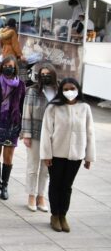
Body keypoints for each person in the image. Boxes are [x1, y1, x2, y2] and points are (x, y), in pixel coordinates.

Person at [41, 78, 95, 233]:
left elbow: (90, 133)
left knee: (67, 186)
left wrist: (89, 157)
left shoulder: (85, 108)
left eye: (72, 88)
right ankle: (55, 215)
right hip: (56, 153)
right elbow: (46, 132)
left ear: (78, 89)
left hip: (76, 154)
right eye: (66, 89)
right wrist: (46, 154)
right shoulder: (53, 108)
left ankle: (63, 215)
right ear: (61, 91)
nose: (69, 92)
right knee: (55, 184)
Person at [0, 56, 26, 201]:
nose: (9, 68)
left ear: (15, 68)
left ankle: (5, 186)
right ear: (2, 67)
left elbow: (22, 107)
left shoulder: (20, 85)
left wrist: (22, 128)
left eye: (11, 66)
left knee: (8, 157)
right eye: (6, 65)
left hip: (12, 125)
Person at [20, 62, 58, 212]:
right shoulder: (33, 91)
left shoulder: (58, 91)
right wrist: (26, 135)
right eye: (42, 74)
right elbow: (26, 114)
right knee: (32, 167)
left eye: (48, 74)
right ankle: (31, 195)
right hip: (35, 133)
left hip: (53, 136)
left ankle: (41, 196)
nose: (45, 77)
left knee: (46, 168)